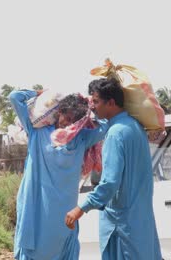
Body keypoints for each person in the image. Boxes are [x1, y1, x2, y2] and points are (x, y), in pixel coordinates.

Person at [65, 78, 162, 259]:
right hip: (140, 225)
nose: (92, 106)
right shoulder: (135, 127)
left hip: (122, 228)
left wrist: (81, 208)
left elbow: (110, 183)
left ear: (111, 102)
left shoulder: (115, 134)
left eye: (95, 101)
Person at [9, 89, 107, 260]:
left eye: (73, 121)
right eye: (66, 117)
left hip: (65, 215)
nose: (67, 124)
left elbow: (105, 127)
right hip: (36, 209)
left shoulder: (81, 138)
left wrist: (91, 108)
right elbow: (14, 97)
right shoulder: (37, 133)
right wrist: (37, 93)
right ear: (58, 112)